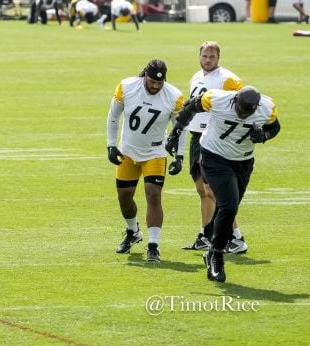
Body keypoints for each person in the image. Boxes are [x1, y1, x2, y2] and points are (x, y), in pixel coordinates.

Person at [166, 86, 280, 282]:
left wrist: (264, 136)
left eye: (248, 113)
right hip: (214, 156)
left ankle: (210, 237)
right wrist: (175, 133)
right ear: (234, 101)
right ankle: (216, 254)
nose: (244, 116)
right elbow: (190, 108)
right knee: (229, 205)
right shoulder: (217, 98)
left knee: (228, 209)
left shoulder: (267, 108)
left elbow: (275, 127)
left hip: (243, 161)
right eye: (241, 111)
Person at [106, 59, 186, 262]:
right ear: (145, 76)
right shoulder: (127, 86)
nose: (155, 86)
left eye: (160, 83)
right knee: (124, 197)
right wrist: (110, 144)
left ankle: (153, 245)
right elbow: (114, 116)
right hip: (128, 151)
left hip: (155, 153)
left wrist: (180, 155)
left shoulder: (174, 96)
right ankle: (133, 231)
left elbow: (180, 128)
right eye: (152, 81)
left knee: (153, 195)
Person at [181, 42, 247, 254]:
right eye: (204, 56)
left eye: (211, 56)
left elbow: (243, 105)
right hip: (196, 136)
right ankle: (205, 235)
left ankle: (237, 238)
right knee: (202, 190)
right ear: (199, 56)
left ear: (219, 57)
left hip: (214, 139)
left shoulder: (228, 78)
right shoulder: (196, 77)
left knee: (215, 191)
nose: (208, 60)